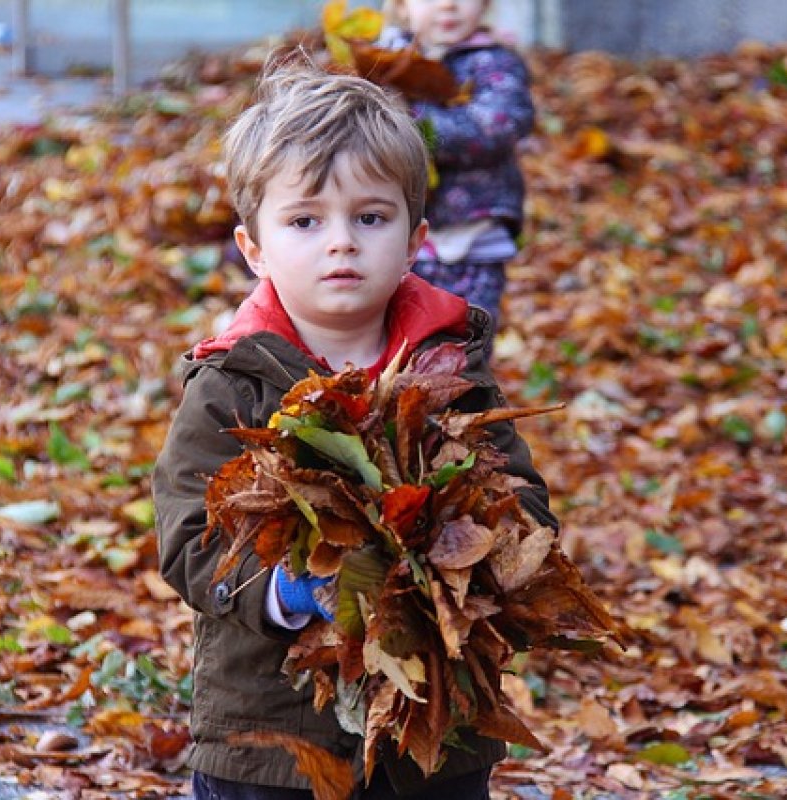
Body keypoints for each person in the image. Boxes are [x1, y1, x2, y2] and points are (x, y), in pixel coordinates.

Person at [152, 62, 556, 800]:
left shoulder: (448, 370)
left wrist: (478, 550)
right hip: (273, 733)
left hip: (434, 727)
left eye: (370, 218)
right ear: (254, 249)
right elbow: (189, 538)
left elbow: (522, 500)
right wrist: (282, 588)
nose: (341, 242)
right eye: (305, 221)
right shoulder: (230, 385)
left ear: (414, 240)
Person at [378, 0, 535, 331]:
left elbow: (497, 126)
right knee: (397, 337)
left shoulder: (494, 61)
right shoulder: (383, 61)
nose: (448, 5)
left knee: (466, 337)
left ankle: (465, 382)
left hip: (473, 238)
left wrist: (411, 123)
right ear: (402, 6)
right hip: (395, 237)